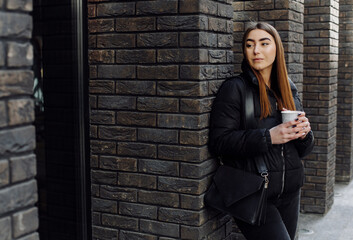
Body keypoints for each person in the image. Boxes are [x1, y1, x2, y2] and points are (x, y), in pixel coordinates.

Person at [208, 22, 314, 240]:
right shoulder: (235, 89)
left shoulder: (288, 89)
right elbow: (219, 142)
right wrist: (268, 137)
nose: (256, 50)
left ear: (277, 48)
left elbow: (303, 150)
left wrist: (305, 134)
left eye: (264, 43)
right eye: (249, 45)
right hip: (256, 193)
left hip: (290, 193)